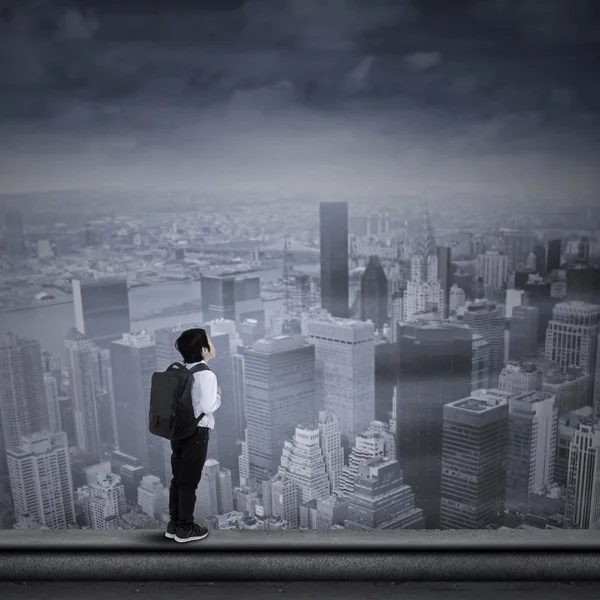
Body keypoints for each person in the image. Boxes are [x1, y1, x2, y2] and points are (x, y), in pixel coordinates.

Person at [165, 328, 221, 543]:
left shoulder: (182, 370)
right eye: (209, 341)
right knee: (189, 482)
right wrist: (218, 395)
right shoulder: (206, 374)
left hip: (178, 432)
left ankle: (174, 523)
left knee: (178, 479)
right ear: (204, 349)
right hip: (197, 433)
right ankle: (186, 529)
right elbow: (208, 406)